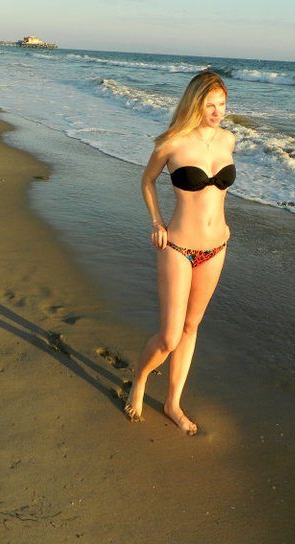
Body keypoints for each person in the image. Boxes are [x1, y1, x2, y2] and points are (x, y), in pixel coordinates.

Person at [125, 71, 236, 435]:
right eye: (210, 105)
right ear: (194, 103)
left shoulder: (228, 140)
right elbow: (147, 180)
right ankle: (141, 378)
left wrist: (223, 227)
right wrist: (156, 222)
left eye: (222, 104)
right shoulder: (172, 142)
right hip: (178, 247)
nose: (217, 112)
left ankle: (173, 403)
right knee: (169, 337)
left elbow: (217, 196)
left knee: (191, 327)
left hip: (216, 248)